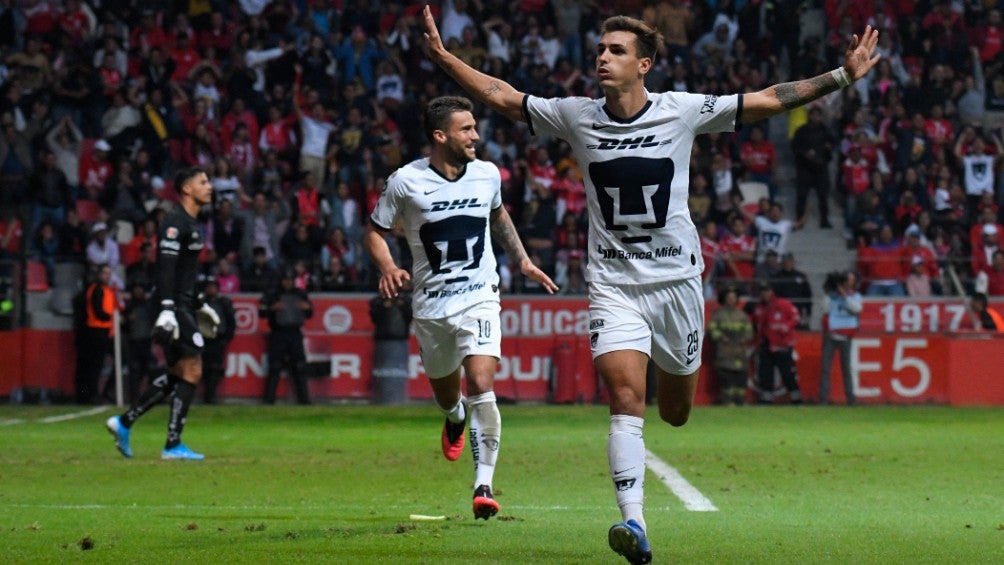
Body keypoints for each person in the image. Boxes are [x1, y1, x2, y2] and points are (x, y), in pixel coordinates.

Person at [422, 7, 879, 562]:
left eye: (616, 51)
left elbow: (768, 99)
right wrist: (447, 60)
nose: (603, 57)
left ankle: (661, 426)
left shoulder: (682, 111)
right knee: (624, 397)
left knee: (676, 411)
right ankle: (634, 525)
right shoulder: (575, 115)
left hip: (678, 283)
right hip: (613, 284)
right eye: (601, 49)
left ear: (644, 64)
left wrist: (841, 76)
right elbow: (500, 94)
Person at [363, 95, 557, 521]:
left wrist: (521, 259)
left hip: (480, 295)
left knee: (481, 381)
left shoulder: (488, 174)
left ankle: (482, 484)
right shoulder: (405, 181)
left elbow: (498, 216)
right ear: (440, 136)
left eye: (474, 127)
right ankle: (453, 418)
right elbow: (374, 232)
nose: (475, 136)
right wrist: (389, 265)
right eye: (466, 129)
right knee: (449, 396)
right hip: (432, 307)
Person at [105, 167, 220, 460]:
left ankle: (124, 422)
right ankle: (172, 445)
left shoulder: (195, 224)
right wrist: (168, 309)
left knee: (178, 373)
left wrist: (199, 304)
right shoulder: (173, 221)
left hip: (182, 304)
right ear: (186, 189)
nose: (210, 186)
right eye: (203, 182)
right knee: (193, 369)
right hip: (172, 306)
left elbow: (185, 274)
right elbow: (165, 269)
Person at [260, 270, 313, 405]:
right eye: (285, 280)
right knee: (275, 367)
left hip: (295, 333)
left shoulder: (300, 294)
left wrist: (306, 308)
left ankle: (304, 400)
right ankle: (269, 400)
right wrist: (272, 308)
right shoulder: (273, 293)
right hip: (278, 333)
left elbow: (310, 312)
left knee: (299, 367)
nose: (288, 282)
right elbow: (261, 311)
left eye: (290, 280)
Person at [753, 281, 803, 405]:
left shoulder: (783, 304)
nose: (765, 294)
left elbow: (796, 317)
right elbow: (757, 326)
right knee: (765, 374)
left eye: (767, 291)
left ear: (772, 291)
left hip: (782, 345)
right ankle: (766, 400)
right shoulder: (759, 307)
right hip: (766, 345)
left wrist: (786, 327)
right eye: (762, 291)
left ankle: (796, 399)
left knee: (788, 374)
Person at [77, 264, 118, 404]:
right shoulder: (97, 289)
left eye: (109, 273)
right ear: (99, 274)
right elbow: (98, 311)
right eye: (105, 273)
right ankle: (92, 395)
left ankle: (103, 392)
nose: (107, 276)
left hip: (106, 331)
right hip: (96, 330)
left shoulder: (107, 290)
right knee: (95, 364)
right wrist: (112, 317)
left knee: (108, 362)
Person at [819, 271, 862, 405]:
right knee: (825, 367)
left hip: (846, 335)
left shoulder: (855, 296)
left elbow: (857, 309)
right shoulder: (831, 296)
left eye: (852, 280)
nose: (850, 282)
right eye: (848, 280)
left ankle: (850, 398)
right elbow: (825, 309)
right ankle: (823, 399)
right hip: (831, 335)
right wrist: (828, 292)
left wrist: (844, 296)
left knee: (846, 368)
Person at [707, 286, 752, 406]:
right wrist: (721, 337)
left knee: (741, 378)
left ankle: (740, 401)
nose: (731, 300)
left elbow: (749, 331)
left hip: (739, 352)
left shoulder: (742, 315)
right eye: (729, 297)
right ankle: (727, 401)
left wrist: (745, 338)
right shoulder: (718, 314)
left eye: (734, 297)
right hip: (724, 351)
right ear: (724, 299)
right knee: (726, 379)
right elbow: (711, 330)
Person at [200, 277, 236, 404]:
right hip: (203, 339)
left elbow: (231, 321)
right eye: (209, 287)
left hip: (218, 339)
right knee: (202, 368)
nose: (211, 289)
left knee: (215, 368)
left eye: (213, 286)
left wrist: (226, 338)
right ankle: (205, 396)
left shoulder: (224, 303)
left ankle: (211, 396)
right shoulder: (200, 303)